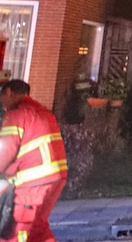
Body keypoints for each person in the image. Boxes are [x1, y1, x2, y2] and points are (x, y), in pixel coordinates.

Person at [0, 80, 68, 242]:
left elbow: (5, 150)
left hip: (31, 183)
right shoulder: (42, 111)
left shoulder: (17, 114)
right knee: (38, 228)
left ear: (9, 92)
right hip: (55, 179)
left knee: (16, 228)